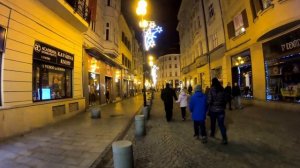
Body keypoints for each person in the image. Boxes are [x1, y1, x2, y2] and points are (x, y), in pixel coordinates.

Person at [208, 78, 228, 145]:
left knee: (213, 123)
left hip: (213, 110)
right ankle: (224, 138)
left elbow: (209, 100)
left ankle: (212, 134)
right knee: (221, 125)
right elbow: (225, 99)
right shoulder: (222, 89)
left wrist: (209, 105)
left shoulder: (211, 90)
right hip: (221, 110)